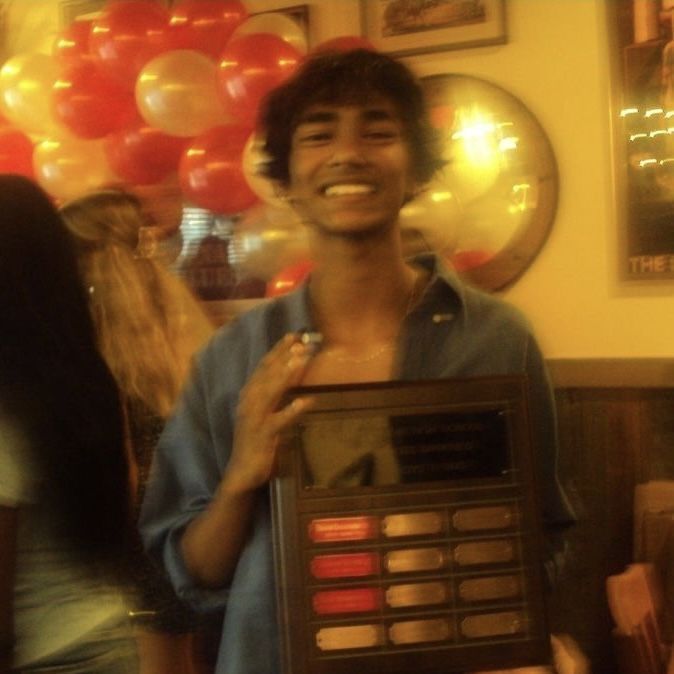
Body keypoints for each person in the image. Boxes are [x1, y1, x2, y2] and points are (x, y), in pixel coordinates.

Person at [139, 49, 576, 674]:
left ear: (418, 168)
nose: (348, 153)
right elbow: (191, 572)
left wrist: (515, 629)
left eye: (378, 132)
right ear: (285, 180)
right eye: (319, 135)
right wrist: (242, 474)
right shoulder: (232, 359)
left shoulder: (497, 339)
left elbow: (543, 532)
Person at [59, 189, 215, 674]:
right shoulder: (178, 325)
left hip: (134, 543)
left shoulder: (97, 357)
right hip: (188, 534)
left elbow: (118, 474)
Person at [0, 176, 138, 673]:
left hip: (41, 655)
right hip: (109, 635)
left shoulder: (7, 406)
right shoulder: (87, 382)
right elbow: (125, 497)